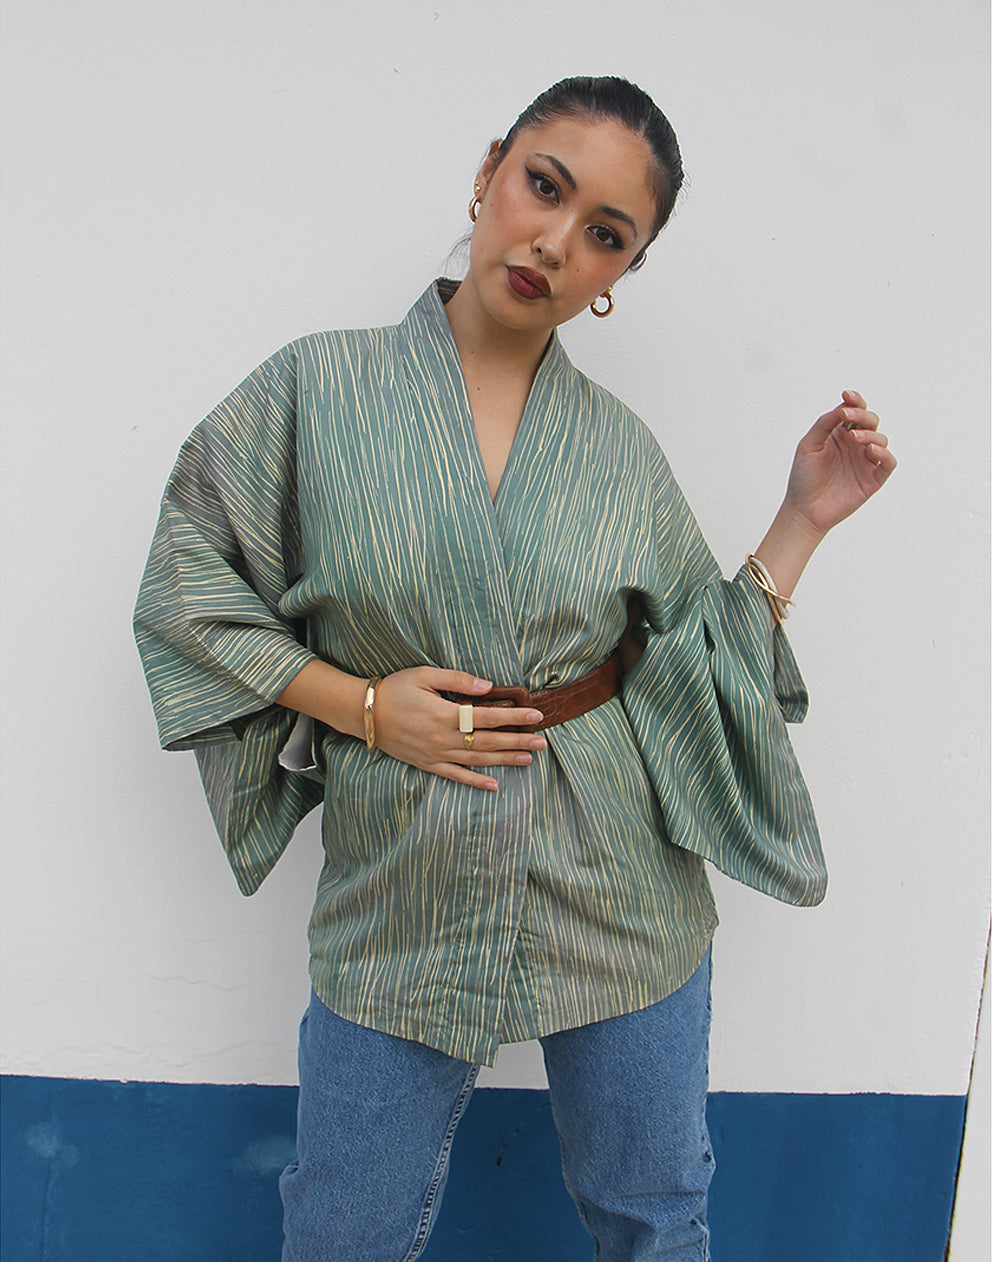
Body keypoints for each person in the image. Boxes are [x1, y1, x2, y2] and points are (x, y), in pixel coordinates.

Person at [134, 76, 895, 1262]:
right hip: (401, 882)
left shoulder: (616, 450)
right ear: (489, 168)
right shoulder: (313, 391)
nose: (554, 239)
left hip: (618, 890)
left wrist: (801, 518)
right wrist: (370, 708)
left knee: (654, 1217)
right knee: (340, 1225)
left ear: (618, 277)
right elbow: (189, 584)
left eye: (606, 233)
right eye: (544, 185)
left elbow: (693, 663)